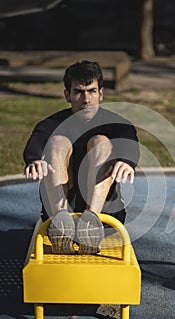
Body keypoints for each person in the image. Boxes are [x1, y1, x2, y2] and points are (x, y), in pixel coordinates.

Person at [23, 60, 139, 255]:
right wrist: (34, 160)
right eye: (78, 92)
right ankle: (62, 223)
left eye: (92, 91)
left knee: (100, 141)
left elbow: (129, 139)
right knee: (58, 141)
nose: (86, 99)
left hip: (104, 216)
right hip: (60, 210)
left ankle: (90, 222)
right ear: (67, 95)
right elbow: (38, 140)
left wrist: (126, 161)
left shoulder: (117, 123)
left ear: (101, 94)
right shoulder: (52, 123)